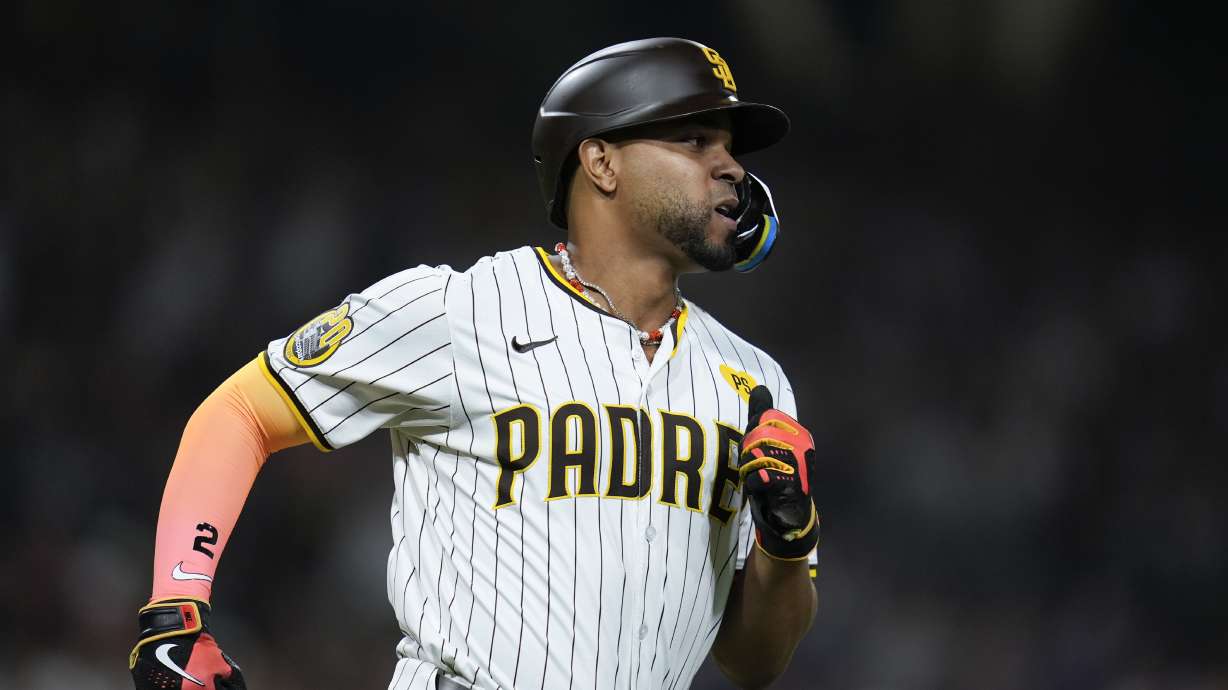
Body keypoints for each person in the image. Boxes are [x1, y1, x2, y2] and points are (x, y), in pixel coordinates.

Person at [129, 37, 821, 690]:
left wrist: (786, 546)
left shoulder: (753, 383)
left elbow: (752, 663)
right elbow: (242, 412)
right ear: (601, 163)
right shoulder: (460, 310)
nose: (730, 165)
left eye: (730, 147)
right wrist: (176, 609)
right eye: (695, 139)